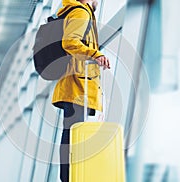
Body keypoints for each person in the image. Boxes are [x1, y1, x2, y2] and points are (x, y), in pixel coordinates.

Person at [51, 0, 110, 181]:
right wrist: (95, 54)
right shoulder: (81, 12)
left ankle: (69, 178)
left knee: (72, 135)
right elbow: (70, 42)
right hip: (78, 87)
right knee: (73, 137)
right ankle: (70, 178)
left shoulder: (79, 11)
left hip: (77, 85)